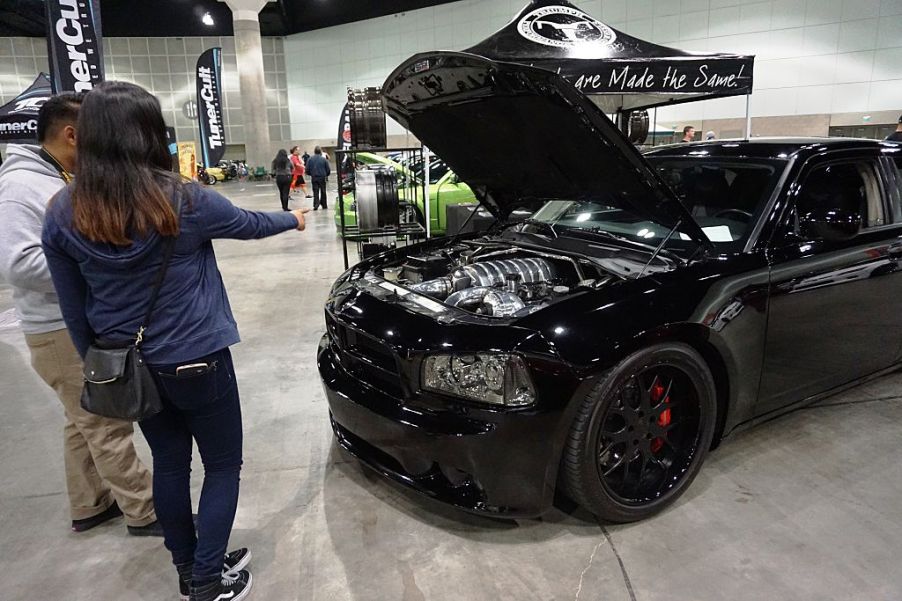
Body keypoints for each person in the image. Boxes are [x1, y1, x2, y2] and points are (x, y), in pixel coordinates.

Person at [41, 81, 310, 601]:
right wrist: (291, 219)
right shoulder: (181, 198)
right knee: (223, 466)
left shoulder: (61, 211)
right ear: (148, 134)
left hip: (130, 365)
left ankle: (190, 567)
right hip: (198, 359)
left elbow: (74, 311)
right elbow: (249, 223)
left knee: (168, 465)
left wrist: (100, 363)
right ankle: (208, 580)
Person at [0, 93, 162, 538]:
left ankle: (89, 504)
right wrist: (93, 263)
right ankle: (145, 511)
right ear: (72, 134)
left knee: (81, 420)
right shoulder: (21, 187)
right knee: (108, 424)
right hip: (55, 330)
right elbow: (16, 263)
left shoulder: (54, 177)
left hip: (66, 323)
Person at [306, 145, 331, 211]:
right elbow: (328, 169)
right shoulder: (323, 159)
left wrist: (311, 174)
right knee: (323, 191)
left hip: (314, 177)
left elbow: (307, 170)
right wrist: (326, 175)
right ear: (320, 152)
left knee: (315, 191)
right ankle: (324, 204)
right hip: (322, 177)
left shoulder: (310, 159)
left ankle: (316, 205)